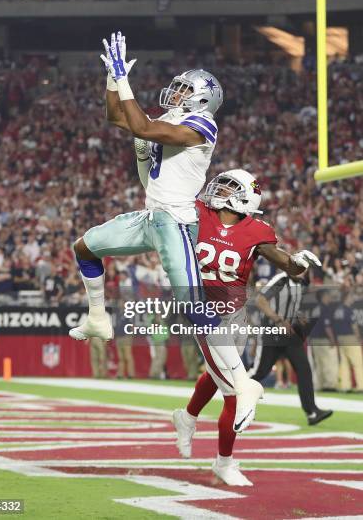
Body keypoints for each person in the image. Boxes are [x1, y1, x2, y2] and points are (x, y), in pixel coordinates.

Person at [137, 162, 321, 484]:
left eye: (229, 188)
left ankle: (187, 417)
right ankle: (224, 462)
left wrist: (298, 264)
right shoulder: (197, 213)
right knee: (235, 390)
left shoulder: (257, 231)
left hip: (236, 314)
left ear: (246, 199)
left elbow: (286, 264)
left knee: (215, 374)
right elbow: (163, 200)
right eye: (221, 185)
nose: (220, 191)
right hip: (204, 313)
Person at [69, 32, 223, 347]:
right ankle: (98, 319)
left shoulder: (204, 125)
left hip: (177, 221)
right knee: (84, 248)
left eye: (185, 89)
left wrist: (125, 80)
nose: (177, 93)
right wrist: (113, 80)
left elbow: (142, 128)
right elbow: (116, 117)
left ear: (203, 99)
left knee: (195, 309)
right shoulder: (170, 118)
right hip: (151, 217)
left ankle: (240, 375)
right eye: (179, 87)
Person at [251, 272, 333, 425]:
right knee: (259, 371)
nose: (303, 271)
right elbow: (260, 300)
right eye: (300, 267)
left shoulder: (301, 284)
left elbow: (292, 307)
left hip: (288, 333)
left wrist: (297, 317)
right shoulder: (281, 278)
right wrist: (278, 319)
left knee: (304, 369)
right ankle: (233, 398)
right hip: (272, 330)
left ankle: (312, 412)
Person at [309, 289, 339, 391]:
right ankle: (330, 385)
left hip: (315, 339)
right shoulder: (325, 308)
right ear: (324, 296)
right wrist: (332, 339)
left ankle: (320, 384)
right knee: (329, 362)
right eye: (328, 295)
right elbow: (327, 326)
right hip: (325, 339)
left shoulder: (315, 309)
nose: (330, 297)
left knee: (319, 363)